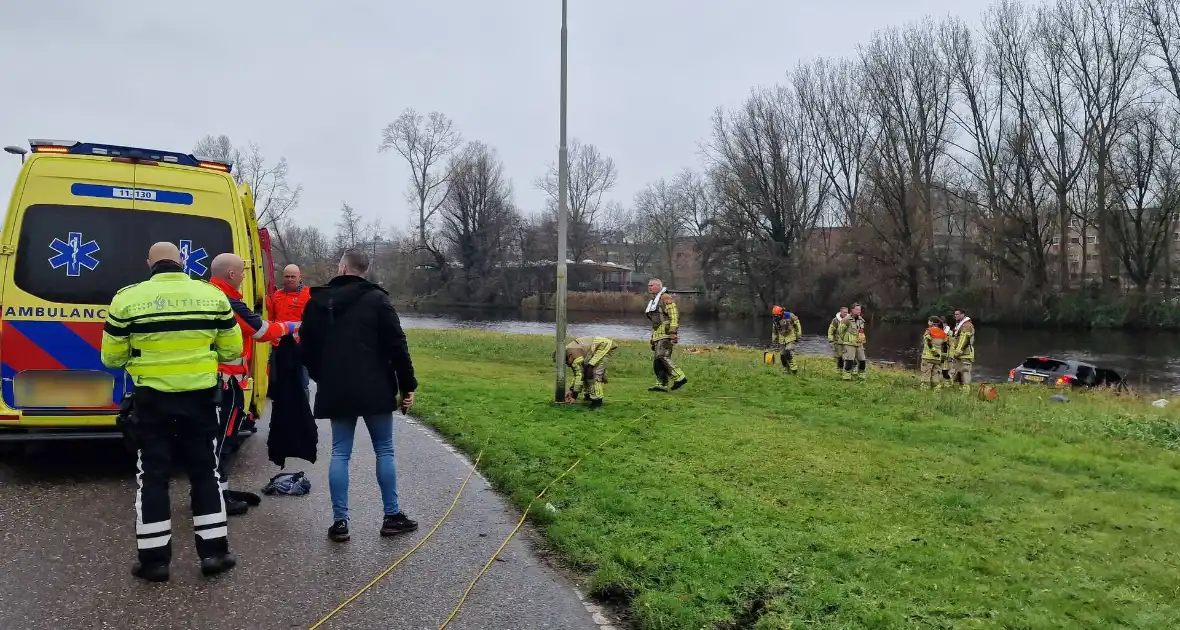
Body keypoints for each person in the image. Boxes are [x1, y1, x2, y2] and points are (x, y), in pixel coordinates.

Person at [100, 242, 241, 582]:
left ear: (149, 263)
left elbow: (111, 359)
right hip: (200, 401)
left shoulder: (126, 299)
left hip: (152, 401)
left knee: (153, 477)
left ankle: (154, 562)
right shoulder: (212, 296)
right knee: (206, 474)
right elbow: (233, 349)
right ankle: (214, 555)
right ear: (181, 261)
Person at [299, 248, 418, 543]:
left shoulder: (317, 301)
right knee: (384, 450)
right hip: (375, 385)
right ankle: (391, 516)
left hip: (336, 387)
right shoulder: (378, 300)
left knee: (340, 452)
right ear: (364, 270)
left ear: (341, 268)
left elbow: (307, 349)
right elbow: (397, 345)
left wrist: (322, 377)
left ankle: (340, 523)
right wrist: (408, 385)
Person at [209, 253, 298, 516]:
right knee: (224, 439)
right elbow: (261, 331)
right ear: (232, 275)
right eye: (242, 272)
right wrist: (294, 326)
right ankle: (215, 498)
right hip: (225, 382)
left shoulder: (208, 295)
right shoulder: (229, 302)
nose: (245, 276)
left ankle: (217, 490)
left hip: (212, 380)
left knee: (215, 439)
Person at [269, 264, 312, 396]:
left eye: (293, 276)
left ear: (300, 277)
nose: (290, 279)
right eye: (287, 276)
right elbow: (272, 319)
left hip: (300, 345)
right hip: (279, 345)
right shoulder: (277, 295)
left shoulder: (308, 295)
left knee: (302, 383)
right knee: (281, 383)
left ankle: (303, 413)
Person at [645, 278, 688, 392]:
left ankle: (679, 377)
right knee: (657, 362)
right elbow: (655, 322)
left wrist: (673, 332)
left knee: (662, 356)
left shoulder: (665, 297)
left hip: (666, 332)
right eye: (649, 285)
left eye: (652, 285)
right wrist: (653, 338)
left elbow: (674, 315)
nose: (650, 287)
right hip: (657, 333)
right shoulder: (654, 300)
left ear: (659, 286)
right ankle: (661, 384)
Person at [560, 336, 618, 408]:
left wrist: (574, 395)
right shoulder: (568, 352)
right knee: (586, 371)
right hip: (594, 349)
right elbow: (578, 374)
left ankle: (597, 402)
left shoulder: (574, 355)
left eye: (567, 361)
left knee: (593, 374)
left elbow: (580, 375)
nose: (568, 364)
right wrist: (571, 390)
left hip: (603, 346)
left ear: (569, 356)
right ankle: (588, 395)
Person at [837, 303, 868, 380]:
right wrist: (846, 339)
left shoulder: (861, 320)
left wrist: (861, 337)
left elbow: (861, 330)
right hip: (849, 344)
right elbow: (840, 331)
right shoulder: (846, 319)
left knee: (862, 360)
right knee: (849, 360)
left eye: (860, 310)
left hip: (859, 343)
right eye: (857, 310)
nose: (859, 311)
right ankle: (846, 377)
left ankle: (861, 376)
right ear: (852, 310)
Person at [949, 308, 976, 390]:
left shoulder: (967, 325)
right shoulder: (959, 325)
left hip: (965, 353)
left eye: (958, 314)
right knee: (956, 370)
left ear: (963, 314)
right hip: (959, 353)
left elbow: (964, 340)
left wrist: (958, 352)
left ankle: (966, 389)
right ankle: (958, 387)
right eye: (955, 314)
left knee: (965, 371)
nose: (955, 316)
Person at [770, 306, 803, 374]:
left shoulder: (789, 315)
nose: (776, 317)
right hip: (782, 338)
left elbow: (797, 323)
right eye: (775, 316)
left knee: (788, 350)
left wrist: (798, 334)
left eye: (777, 316)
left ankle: (793, 367)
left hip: (790, 336)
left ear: (781, 313)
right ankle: (785, 368)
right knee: (782, 354)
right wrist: (774, 338)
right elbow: (774, 330)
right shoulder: (775, 320)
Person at [921, 316, 948, 389]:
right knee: (935, 373)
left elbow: (928, 341)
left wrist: (933, 351)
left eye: (929, 321)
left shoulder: (929, 330)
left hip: (928, 356)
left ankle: (925, 388)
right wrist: (943, 357)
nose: (928, 322)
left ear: (932, 322)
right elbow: (945, 346)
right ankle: (936, 388)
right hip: (938, 358)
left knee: (926, 372)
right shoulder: (943, 333)